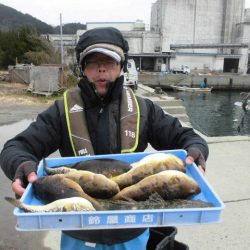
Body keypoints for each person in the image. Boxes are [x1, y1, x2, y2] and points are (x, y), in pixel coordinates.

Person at [0, 27, 208, 250]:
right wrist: (21, 165)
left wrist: (196, 148)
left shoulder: (144, 109)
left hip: (132, 232)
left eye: (109, 62)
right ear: (83, 69)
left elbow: (186, 137)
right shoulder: (62, 111)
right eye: (92, 62)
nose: (101, 69)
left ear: (121, 66)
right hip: (78, 231)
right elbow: (16, 147)